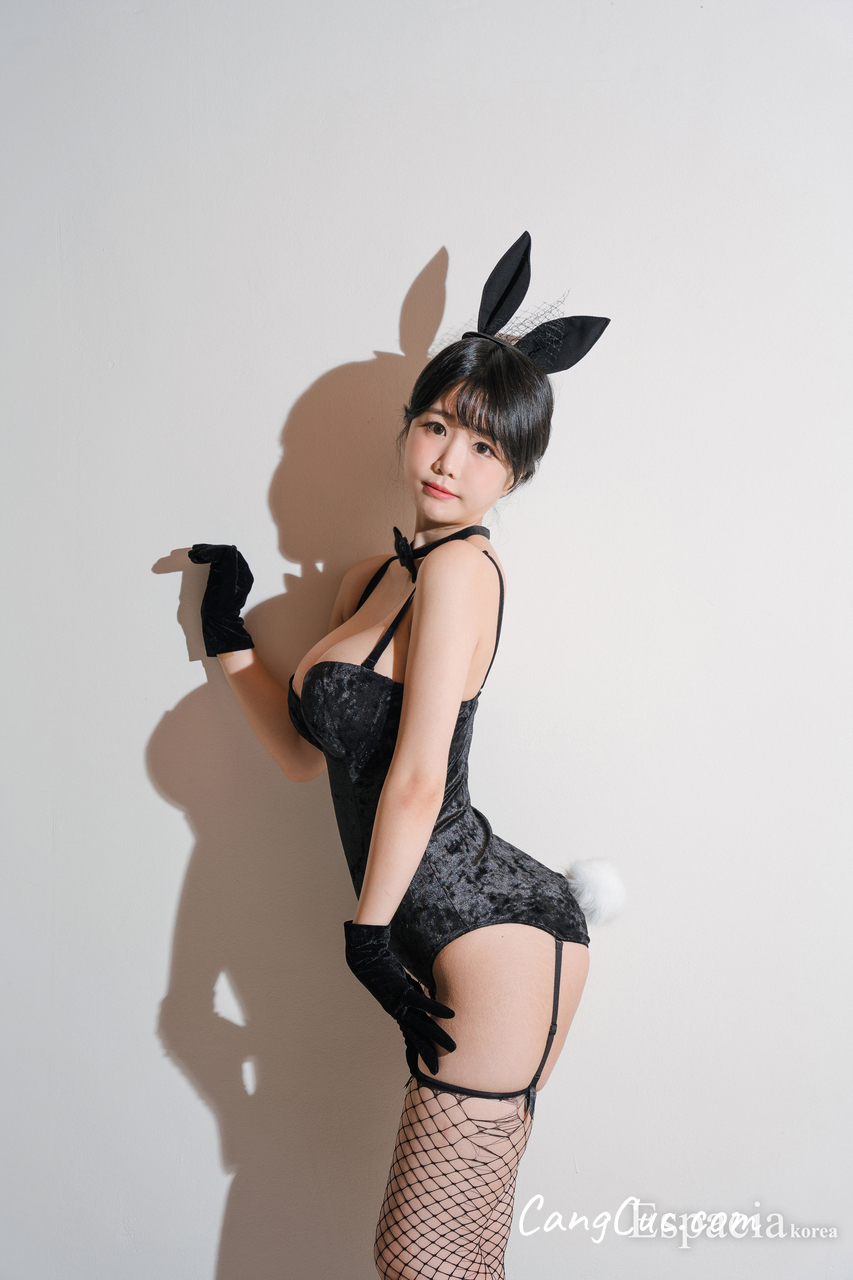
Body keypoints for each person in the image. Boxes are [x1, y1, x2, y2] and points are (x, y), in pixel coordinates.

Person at [188, 232, 609, 1278]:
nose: (449, 462)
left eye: (485, 450)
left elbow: (420, 777)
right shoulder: (371, 578)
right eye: (436, 426)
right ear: (409, 426)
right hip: (440, 927)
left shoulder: (465, 570)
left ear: (514, 474)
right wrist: (228, 637)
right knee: (450, 1262)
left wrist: (369, 933)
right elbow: (305, 760)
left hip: (496, 932)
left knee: (420, 1259)